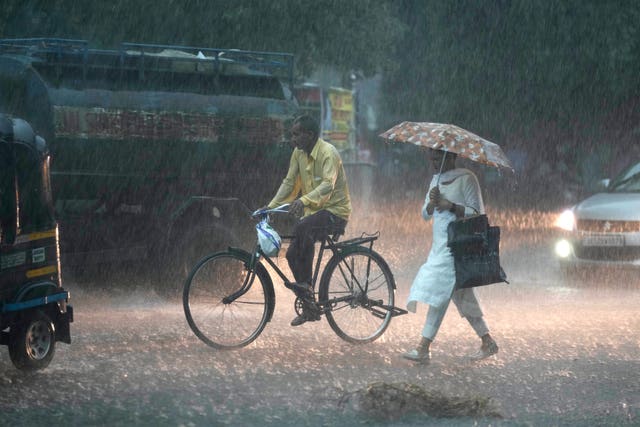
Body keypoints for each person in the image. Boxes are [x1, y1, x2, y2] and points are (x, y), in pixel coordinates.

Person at [402, 149, 498, 364]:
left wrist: (451, 206)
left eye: (438, 158)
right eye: (432, 159)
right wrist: (431, 203)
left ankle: (423, 347)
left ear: (452, 156)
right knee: (461, 295)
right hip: (438, 246)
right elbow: (425, 215)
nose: (434, 163)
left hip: (457, 247)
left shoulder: (467, 179)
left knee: (439, 292)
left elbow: (478, 214)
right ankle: (488, 341)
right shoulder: (435, 180)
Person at [266, 114, 352, 326]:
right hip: (314, 214)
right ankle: (309, 304)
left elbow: (327, 186)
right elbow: (289, 183)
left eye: (296, 135)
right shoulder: (298, 153)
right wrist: (269, 208)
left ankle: (306, 287)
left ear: (310, 135)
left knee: (304, 227)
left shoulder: (327, 153)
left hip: (335, 212)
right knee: (292, 254)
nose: (292, 139)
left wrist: (303, 201)